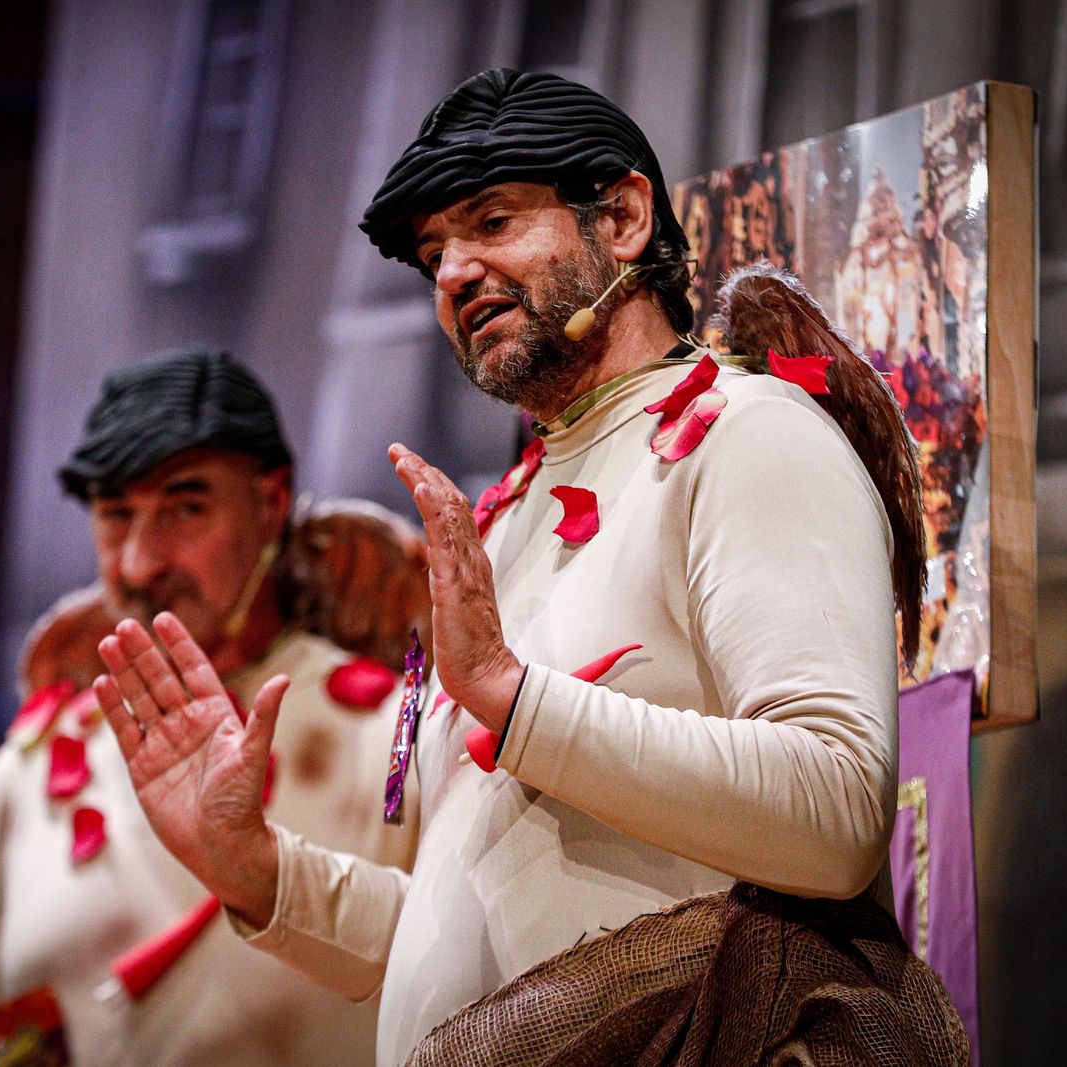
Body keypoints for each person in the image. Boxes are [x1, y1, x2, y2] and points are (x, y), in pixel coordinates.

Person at [93, 71, 960, 1065]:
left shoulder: (750, 436)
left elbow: (839, 811)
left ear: (623, 218)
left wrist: (512, 697)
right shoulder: (500, 522)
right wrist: (255, 868)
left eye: (493, 222)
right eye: (434, 253)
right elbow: (468, 942)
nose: (454, 273)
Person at [0, 350, 419, 1065]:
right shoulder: (31, 765)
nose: (139, 563)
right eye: (115, 514)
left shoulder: (394, 737)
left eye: (186, 508)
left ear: (271, 503)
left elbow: (456, 980)